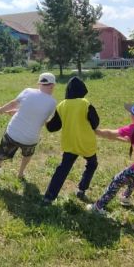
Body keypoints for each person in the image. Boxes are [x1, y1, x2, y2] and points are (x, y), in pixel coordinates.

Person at [0, 73, 58, 186]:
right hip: (30, 139)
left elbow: (13, 104)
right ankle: (21, 173)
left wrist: (0, 110)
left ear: (40, 84)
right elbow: (42, 119)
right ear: (51, 86)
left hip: (13, 133)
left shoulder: (28, 91)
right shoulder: (52, 103)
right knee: (27, 155)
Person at [42, 76, 100, 204]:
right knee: (92, 164)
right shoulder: (86, 104)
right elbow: (95, 123)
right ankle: (82, 189)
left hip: (70, 143)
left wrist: (45, 121)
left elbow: (53, 127)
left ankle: (49, 197)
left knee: (63, 169)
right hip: (86, 143)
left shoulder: (62, 105)